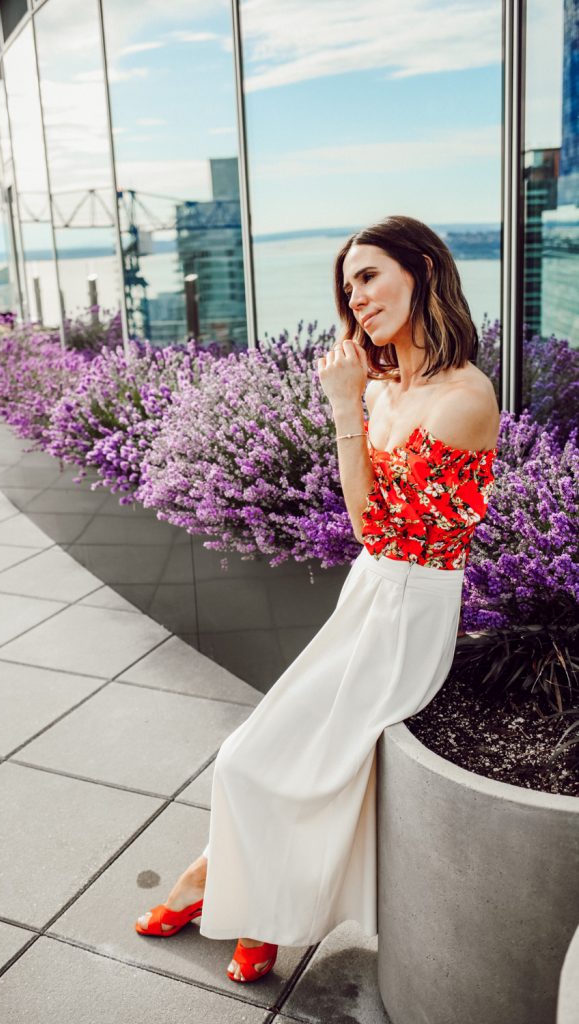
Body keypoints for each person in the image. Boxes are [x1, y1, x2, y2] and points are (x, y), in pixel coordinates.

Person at [134, 214, 501, 984]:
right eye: (347, 286)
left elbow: (379, 530)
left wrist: (342, 407)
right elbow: (372, 535)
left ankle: (237, 898)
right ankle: (234, 892)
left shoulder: (463, 399)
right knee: (252, 759)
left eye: (369, 276)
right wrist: (358, 403)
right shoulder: (387, 390)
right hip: (371, 595)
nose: (356, 298)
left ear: (424, 270)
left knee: (290, 765)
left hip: (409, 609)